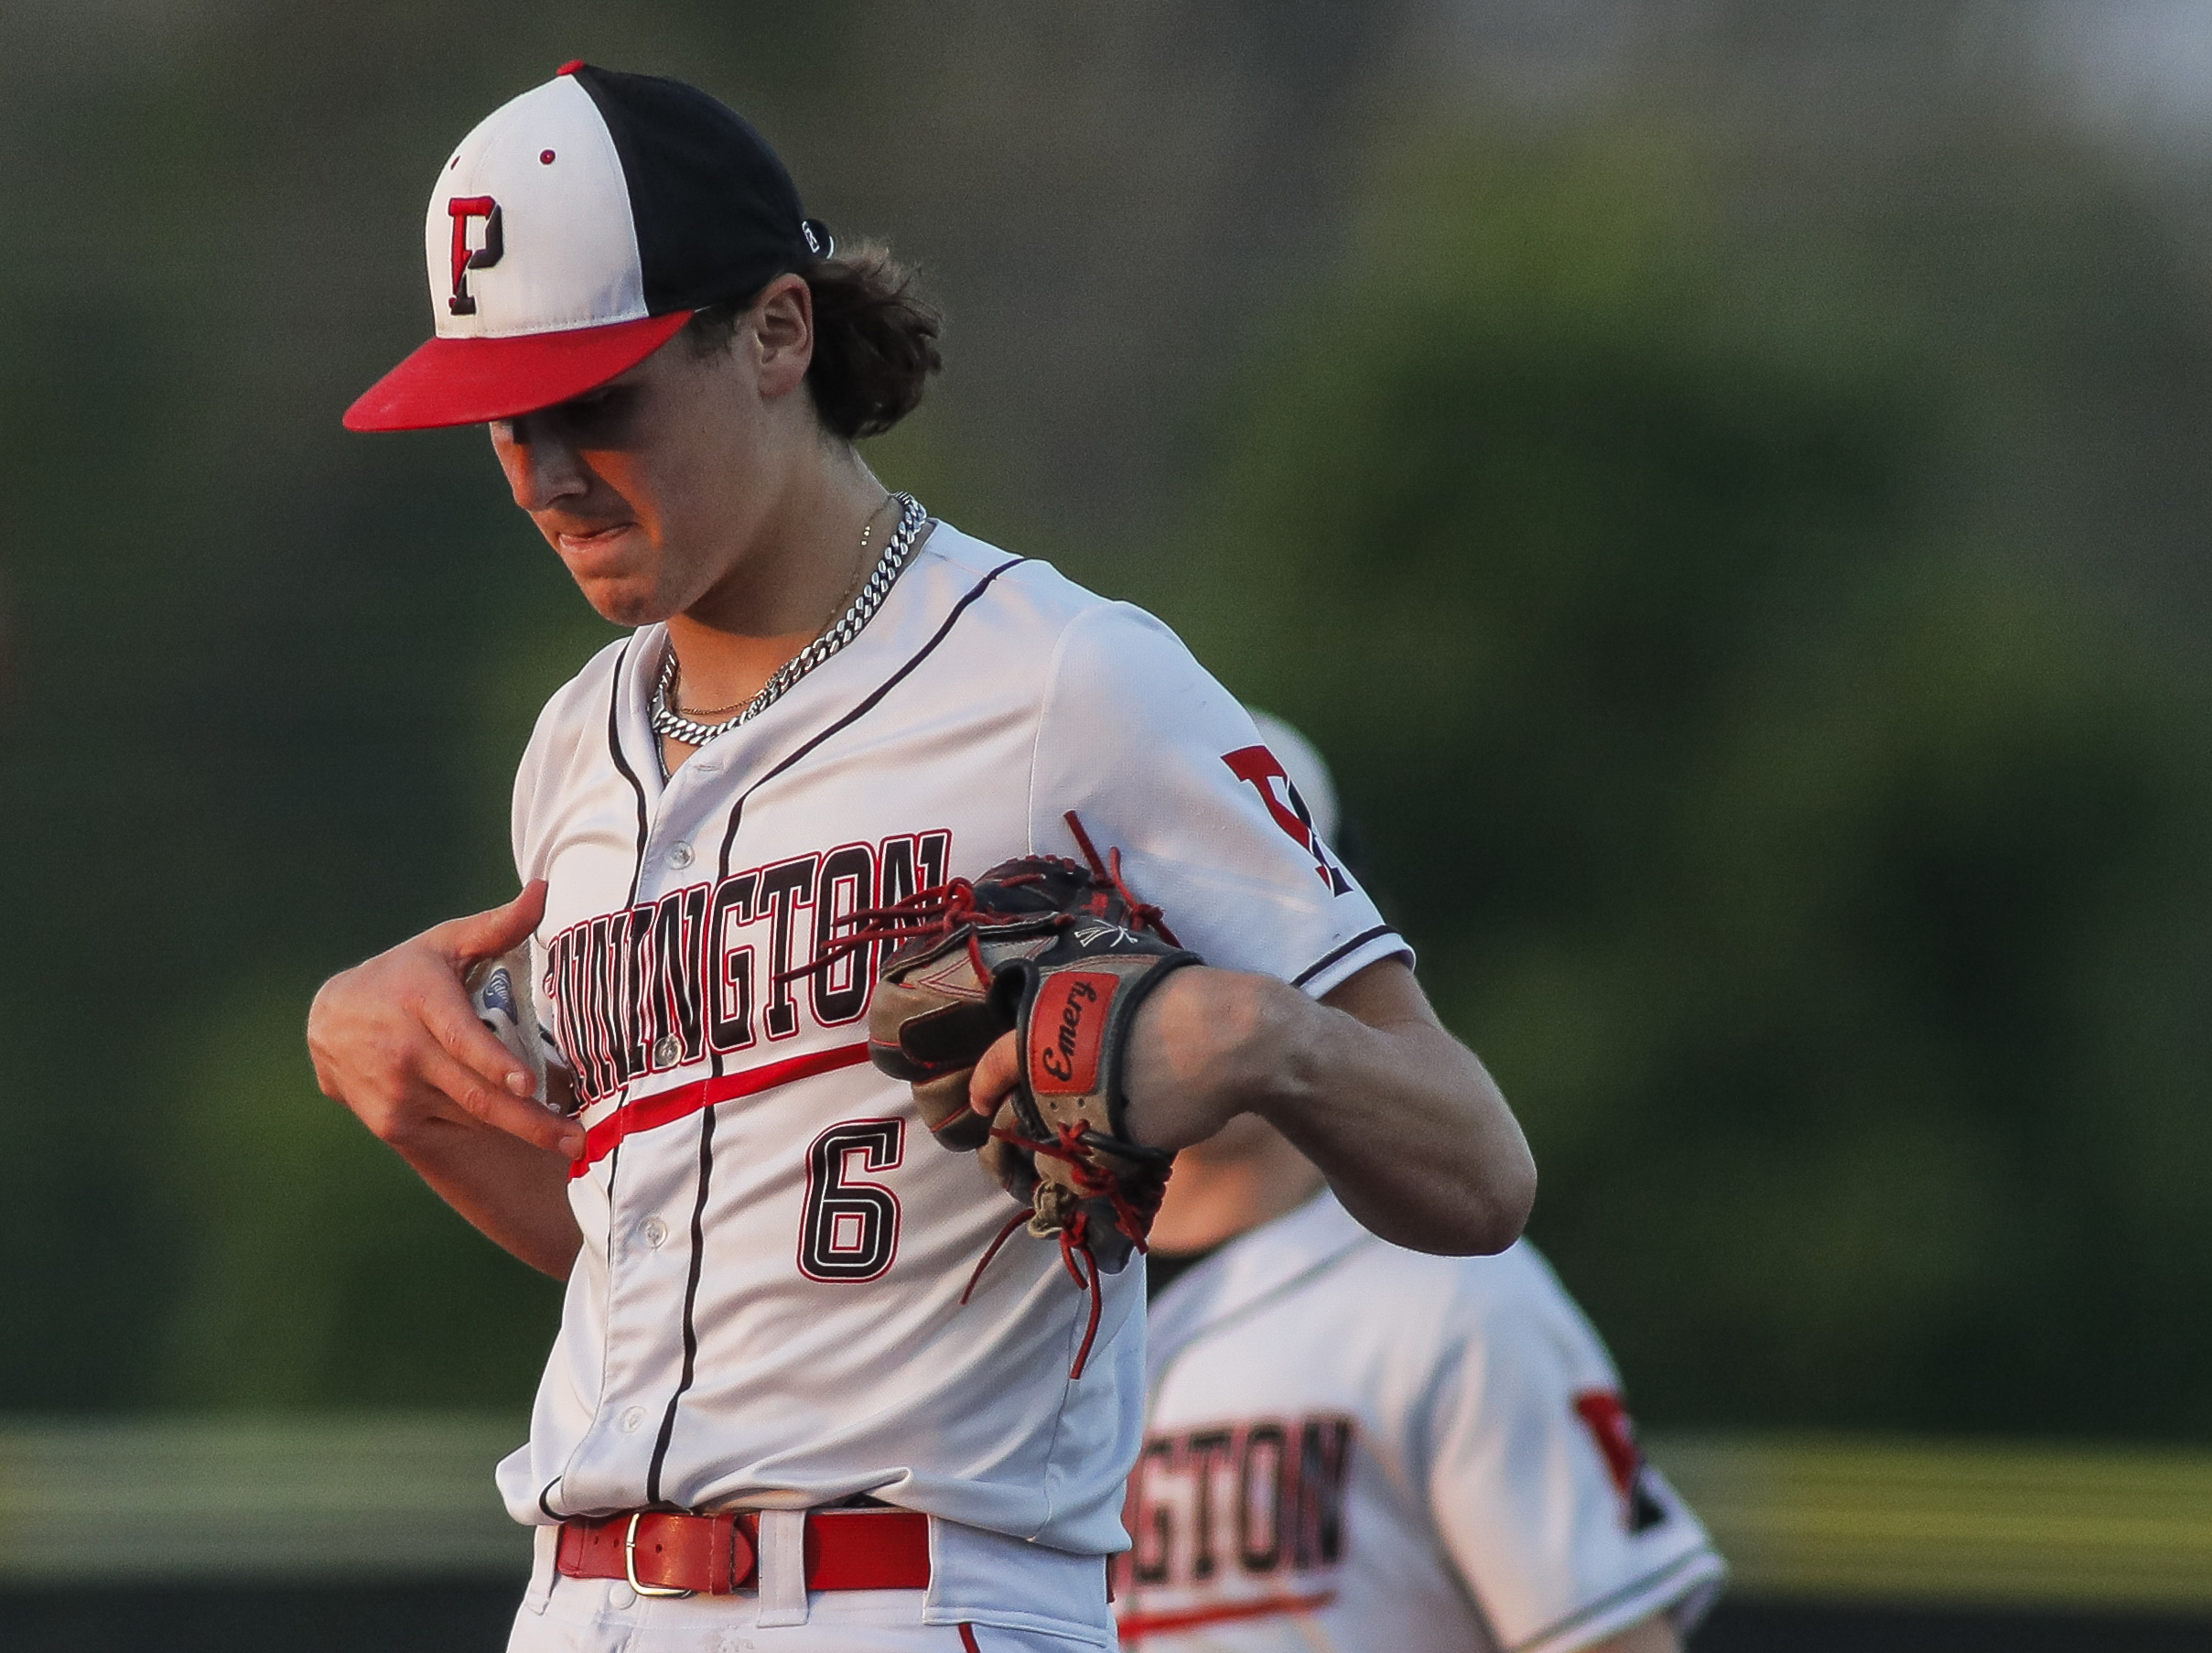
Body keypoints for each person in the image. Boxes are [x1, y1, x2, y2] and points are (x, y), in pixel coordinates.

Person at [303, 62, 1534, 1653]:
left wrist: (1264, 1040)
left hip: (913, 1600)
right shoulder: (574, 749)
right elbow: (661, 1273)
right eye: (505, 417)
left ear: (774, 333)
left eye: (596, 400)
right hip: (582, 1602)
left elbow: (1479, 1166)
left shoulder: (1064, 680)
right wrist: (403, 1090)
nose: (543, 471)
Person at [1114, 718, 1724, 1653]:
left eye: (1244, 926)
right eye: (1152, 923)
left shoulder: (1456, 1299)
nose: (1197, 972)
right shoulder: (989, 1296)